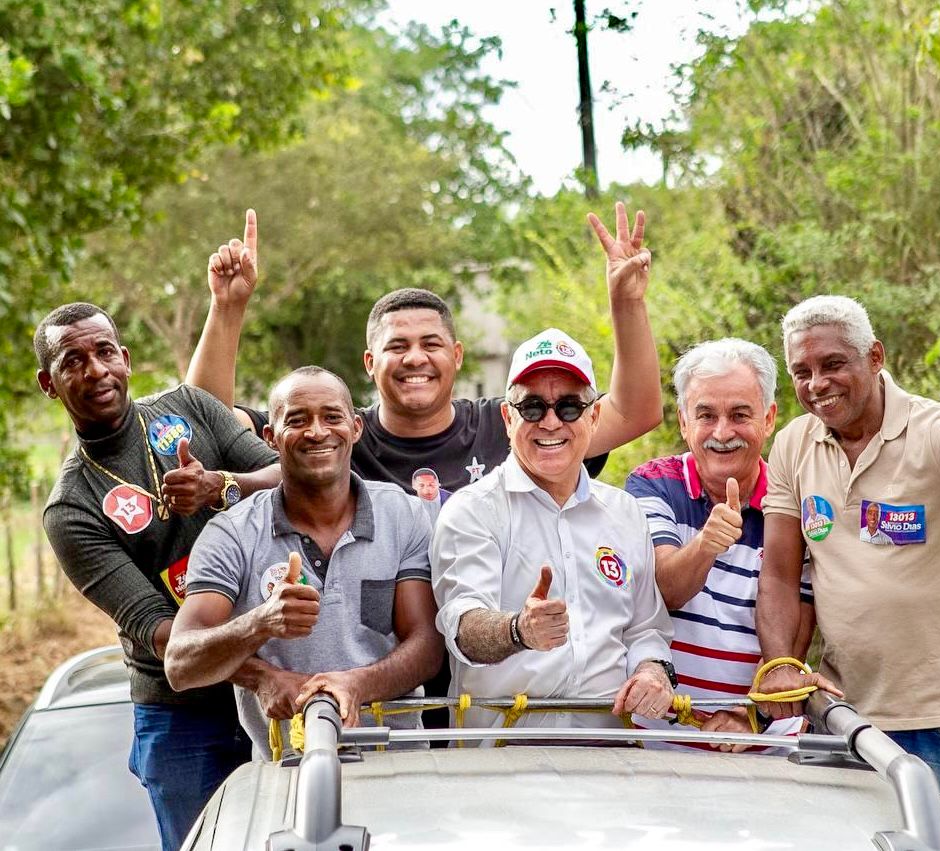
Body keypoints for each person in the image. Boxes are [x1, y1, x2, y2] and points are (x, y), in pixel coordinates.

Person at [756, 295, 940, 817]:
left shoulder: (937, 427)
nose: (817, 384)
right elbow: (779, 576)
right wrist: (781, 662)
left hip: (939, 720)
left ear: (875, 357)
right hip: (845, 716)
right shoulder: (793, 444)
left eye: (833, 364)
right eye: (802, 371)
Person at [185, 204, 663, 496]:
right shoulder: (335, 435)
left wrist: (626, 301)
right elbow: (206, 421)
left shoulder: (510, 423)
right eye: (398, 346)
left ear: (456, 356)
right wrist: (227, 308)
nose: (416, 358)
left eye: (430, 344)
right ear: (370, 363)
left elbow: (635, 411)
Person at [36, 302, 281, 851]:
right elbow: (160, 629)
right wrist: (264, 676)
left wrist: (222, 485)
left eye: (103, 352)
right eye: (72, 361)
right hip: (184, 717)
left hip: (284, 677)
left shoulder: (190, 408)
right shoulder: (71, 509)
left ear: (124, 358)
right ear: (49, 384)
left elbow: (288, 478)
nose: (95, 370)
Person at [165, 367, 443, 759]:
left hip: (399, 769)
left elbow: (428, 645)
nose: (316, 431)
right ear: (270, 437)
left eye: (332, 417)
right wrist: (260, 625)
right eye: (297, 420)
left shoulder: (405, 515)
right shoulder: (232, 532)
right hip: (287, 775)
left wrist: (356, 685)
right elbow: (180, 663)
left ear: (356, 427)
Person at [430, 329, 675, 734]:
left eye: (568, 407)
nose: (549, 422)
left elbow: (646, 630)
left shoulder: (624, 511)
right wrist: (518, 630)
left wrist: (653, 673)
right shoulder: (472, 511)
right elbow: (463, 627)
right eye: (531, 407)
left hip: (611, 758)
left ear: (594, 416)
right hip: (507, 761)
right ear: (508, 418)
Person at [625, 339, 819, 750]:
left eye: (740, 415)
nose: (722, 433)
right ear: (682, 421)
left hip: (759, 737)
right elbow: (663, 592)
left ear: (768, 419)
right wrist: (707, 545)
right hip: (658, 737)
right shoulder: (652, 483)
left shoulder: (795, 500)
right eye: (706, 415)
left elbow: (797, 625)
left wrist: (750, 714)